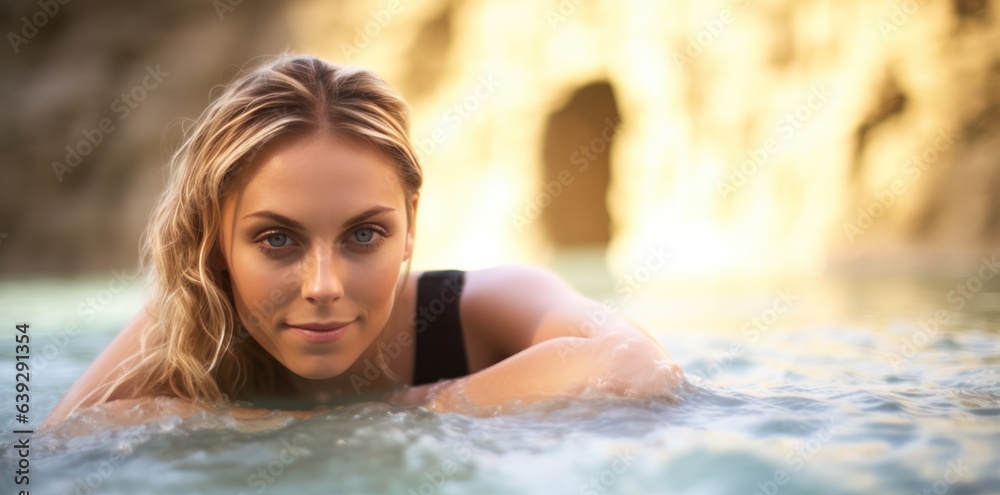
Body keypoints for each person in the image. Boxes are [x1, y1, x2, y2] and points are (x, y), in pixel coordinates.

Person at [41, 55, 683, 429]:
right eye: (276, 240)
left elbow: (641, 368)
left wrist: (399, 411)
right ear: (215, 241)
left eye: (365, 234)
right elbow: (50, 458)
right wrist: (218, 419)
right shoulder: (187, 330)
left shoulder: (485, 307)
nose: (324, 286)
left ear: (411, 224)